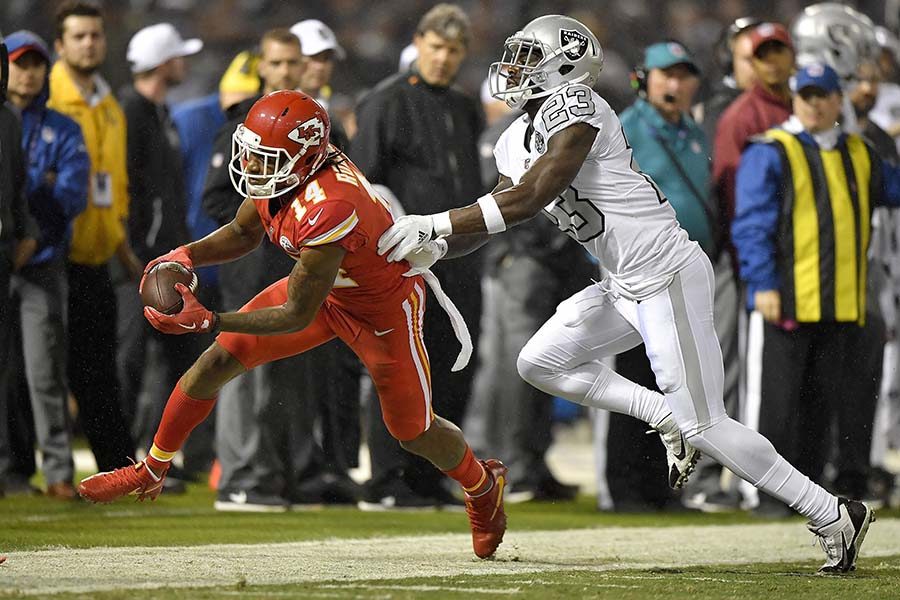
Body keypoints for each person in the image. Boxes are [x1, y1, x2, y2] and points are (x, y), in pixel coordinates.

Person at [378, 15, 875, 574]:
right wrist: (435, 249)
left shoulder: (582, 107)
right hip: (622, 283)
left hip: (665, 274)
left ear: (563, 67)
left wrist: (435, 223)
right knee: (539, 361)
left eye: (527, 58)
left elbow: (536, 194)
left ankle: (832, 512)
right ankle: (662, 415)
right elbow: (496, 214)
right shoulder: (516, 137)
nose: (512, 68)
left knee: (708, 424)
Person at [77, 89, 508, 560]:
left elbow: (296, 313)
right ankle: (153, 468)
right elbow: (244, 232)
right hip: (325, 292)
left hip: (379, 310)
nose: (252, 166)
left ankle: (482, 484)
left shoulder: (332, 204)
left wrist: (211, 319)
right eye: (252, 151)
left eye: (266, 157)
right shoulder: (286, 175)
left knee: (413, 431)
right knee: (218, 360)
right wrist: (184, 254)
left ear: (303, 159)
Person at [734, 63, 900, 506]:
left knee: (821, 409)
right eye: (805, 95)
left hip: (841, 305)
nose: (813, 103)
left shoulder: (860, 153)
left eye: (822, 95)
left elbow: (893, 189)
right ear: (795, 99)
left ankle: (809, 498)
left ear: (837, 101)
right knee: (776, 407)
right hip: (787, 300)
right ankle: (768, 496)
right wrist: (763, 282)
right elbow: (751, 224)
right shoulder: (771, 150)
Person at [352, 2, 485, 510]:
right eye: (436, 47)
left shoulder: (464, 107)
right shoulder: (384, 102)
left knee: (454, 363)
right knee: (398, 365)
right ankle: (387, 480)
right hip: (402, 262)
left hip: (457, 258)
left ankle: (431, 478)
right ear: (419, 42)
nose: (443, 58)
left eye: (453, 50)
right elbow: (365, 185)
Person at [602, 39, 714, 511]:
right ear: (641, 81)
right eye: (665, 74)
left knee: (677, 382)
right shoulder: (625, 130)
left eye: (684, 75)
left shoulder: (692, 131)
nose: (675, 83)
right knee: (636, 381)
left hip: (682, 278)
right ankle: (626, 488)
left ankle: (663, 487)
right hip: (638, 278)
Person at [47, 0, 137, 473]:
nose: (89, 43)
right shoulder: (47, 99)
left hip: (97, 257)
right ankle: (18, 470)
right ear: (60, 44)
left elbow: (114, 191)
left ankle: (119, 467)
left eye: (95, 35)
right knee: (37, 371)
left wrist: (125, 254)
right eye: (79, 36)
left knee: (98, 370)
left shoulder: (109, 105)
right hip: (50, 256)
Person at [2, 30, 88, 499]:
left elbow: (69, 196)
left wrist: (28, 236)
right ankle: (9, 470)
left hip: (42, 263)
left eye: (36, 63)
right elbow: (42, 190)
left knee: (43, 371)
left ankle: (57, 471)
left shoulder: (64, 127)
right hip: (8, 258)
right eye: (20, 62)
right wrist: (41, 183)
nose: (28, 71)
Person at [118, 23, 202, 475]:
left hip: (162, 258)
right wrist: (135, 251)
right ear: (162, 61)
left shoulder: (159, 112)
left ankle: (157, 457)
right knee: (131, 358)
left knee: (172, 357)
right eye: (178, 55)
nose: (185, 63)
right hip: (140, 260)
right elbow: (128, 187)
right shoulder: (133, 111)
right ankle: (123, 453)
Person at [0, 28, 41, 498]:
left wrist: (25, 230)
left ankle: (11, 466)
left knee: (8, 366)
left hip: (5, 251)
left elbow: (15, 184)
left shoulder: (8, 120)